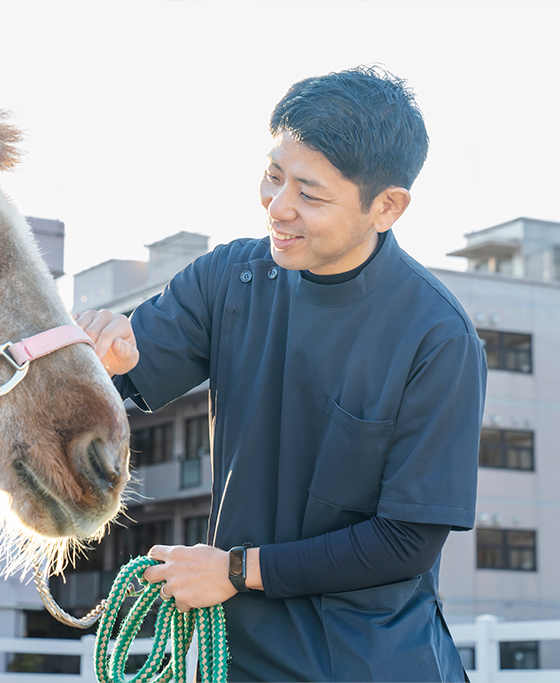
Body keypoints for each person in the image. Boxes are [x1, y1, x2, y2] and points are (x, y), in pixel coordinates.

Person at [76, 66, 487, 682]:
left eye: (310, 194)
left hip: (369, 664)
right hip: (236, 661)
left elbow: (406, 542)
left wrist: (236, 570)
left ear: (387, 207)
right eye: (273, 176)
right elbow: (124, 372)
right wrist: (94, 362)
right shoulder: (228, 279)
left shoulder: (438, 337)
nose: (279, 207)